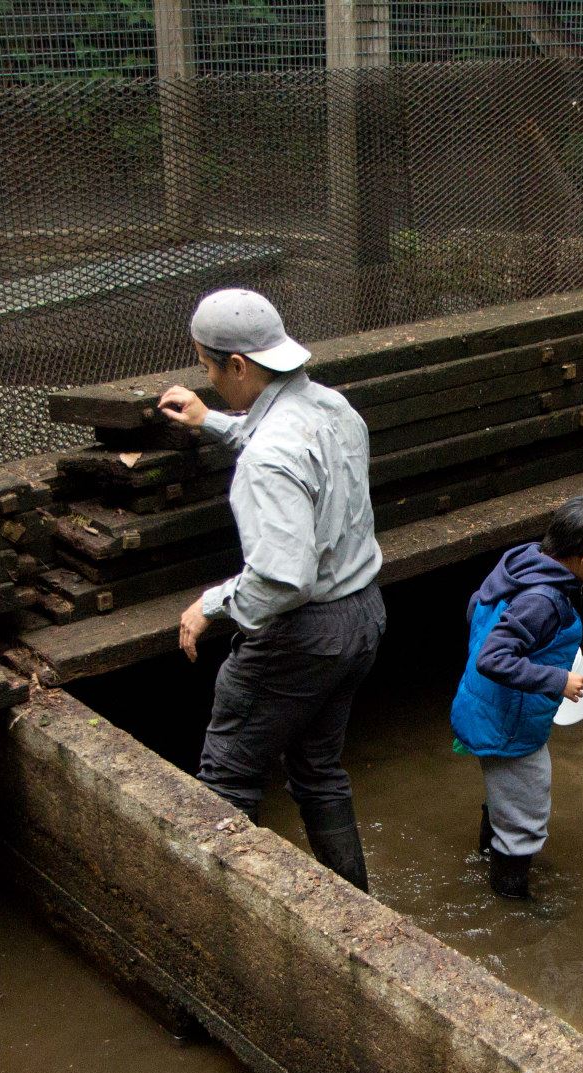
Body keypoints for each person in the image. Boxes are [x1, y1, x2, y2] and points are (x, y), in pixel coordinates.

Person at [157, 288, 385, 892]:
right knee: (317, 769)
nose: (205, 378)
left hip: (304, 634)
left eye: (208, 368)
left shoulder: (268, 458)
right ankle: (359, 910)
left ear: (237, 365)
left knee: (226, 778)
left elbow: (284, 578)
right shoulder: (335, 408)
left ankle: (221, 924)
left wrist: (210, 605)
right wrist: (212, 423)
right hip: (363, 617)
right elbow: (284, 449)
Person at [449, 494, 583, 899]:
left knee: (502, 794)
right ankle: (511, 902)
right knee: (526, 810)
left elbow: (477, 608)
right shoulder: (543, 601)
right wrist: (556, 679)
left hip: (482, 707)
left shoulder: (520, 562)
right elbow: (493, 657)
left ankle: (485, 857)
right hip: (509, 727)